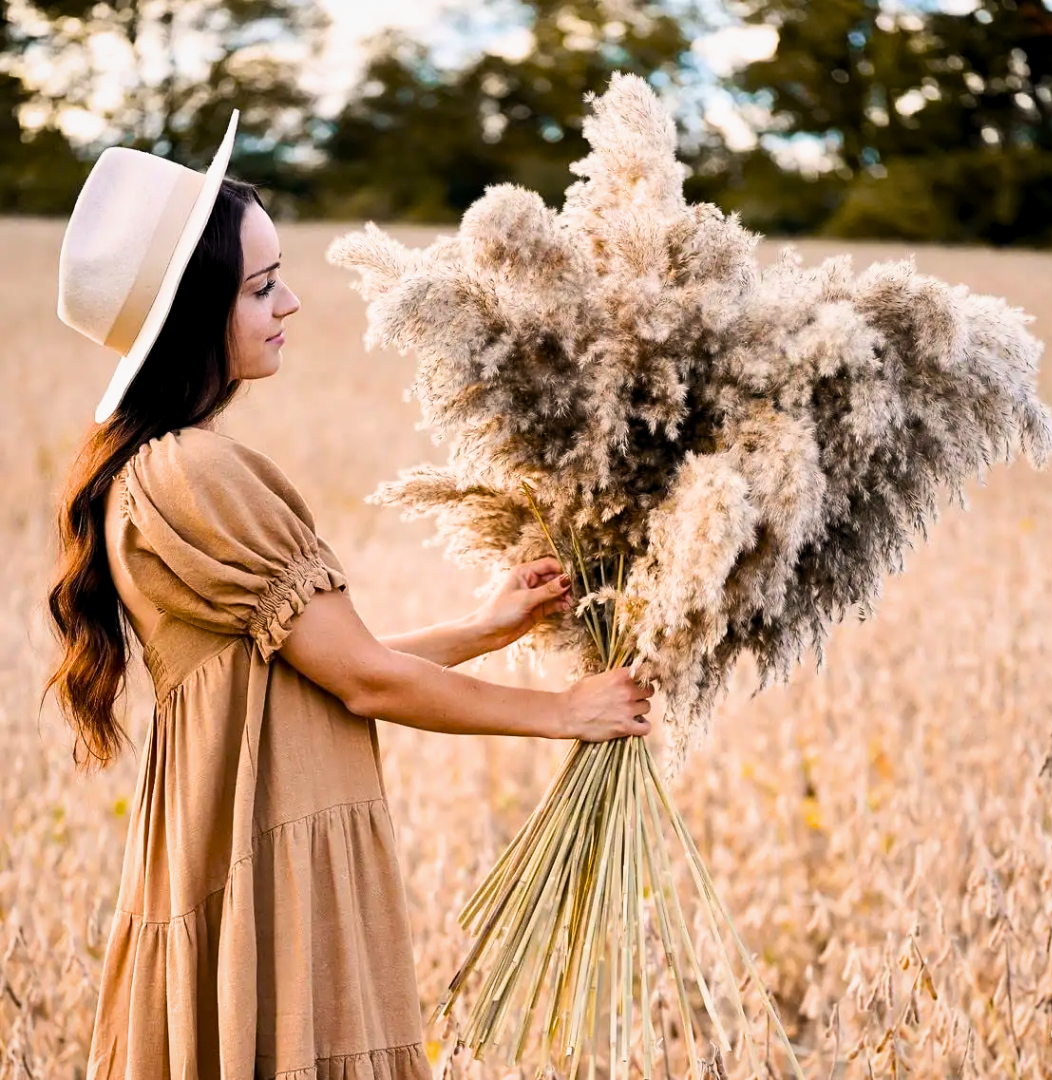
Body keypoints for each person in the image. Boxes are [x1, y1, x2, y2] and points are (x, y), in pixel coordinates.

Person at [41, 111, 653, 1080]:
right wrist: (563, 712)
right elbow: (363, 682)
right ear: (199, 312)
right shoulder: (199, 472)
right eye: (260, 286)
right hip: (267, 866)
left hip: (238, 853)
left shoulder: (150, 472)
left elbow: (305, 676)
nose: (289, 303)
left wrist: (483, 629)